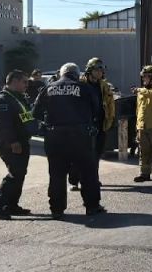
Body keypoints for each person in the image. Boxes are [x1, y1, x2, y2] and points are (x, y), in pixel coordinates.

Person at [33, 63, 106, 219]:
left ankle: (57, 210)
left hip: (54, 137)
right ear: (77, 74)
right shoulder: (85, 88)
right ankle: (92, 207)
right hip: (80, 137)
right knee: (88, 173)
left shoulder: (49, 88)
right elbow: (97, 110)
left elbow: (36, 112)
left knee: (57, 174)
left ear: (61, 73)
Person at [0, 71, 34, 220]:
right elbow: (2, 125)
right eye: (24, 82)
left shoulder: (18, 98)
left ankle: (12, 205)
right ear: (14, 81)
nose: (26, 85)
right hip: (12, 144)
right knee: (14, 174)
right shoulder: (3, 100)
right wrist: (12, 142)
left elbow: (26, 118)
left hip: (22, 141)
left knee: (20, 174)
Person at [68, 58, 116, 191]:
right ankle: (74, 181)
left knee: (96, 154)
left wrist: (110, 120)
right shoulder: (79, 84)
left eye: (102, 69)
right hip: (82, 126)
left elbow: (110, 103)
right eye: (97, 69)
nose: (100, 72)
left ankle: (93, 178)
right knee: (79, 154)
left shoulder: (104, 86)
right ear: (90, 70)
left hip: (100, 125)